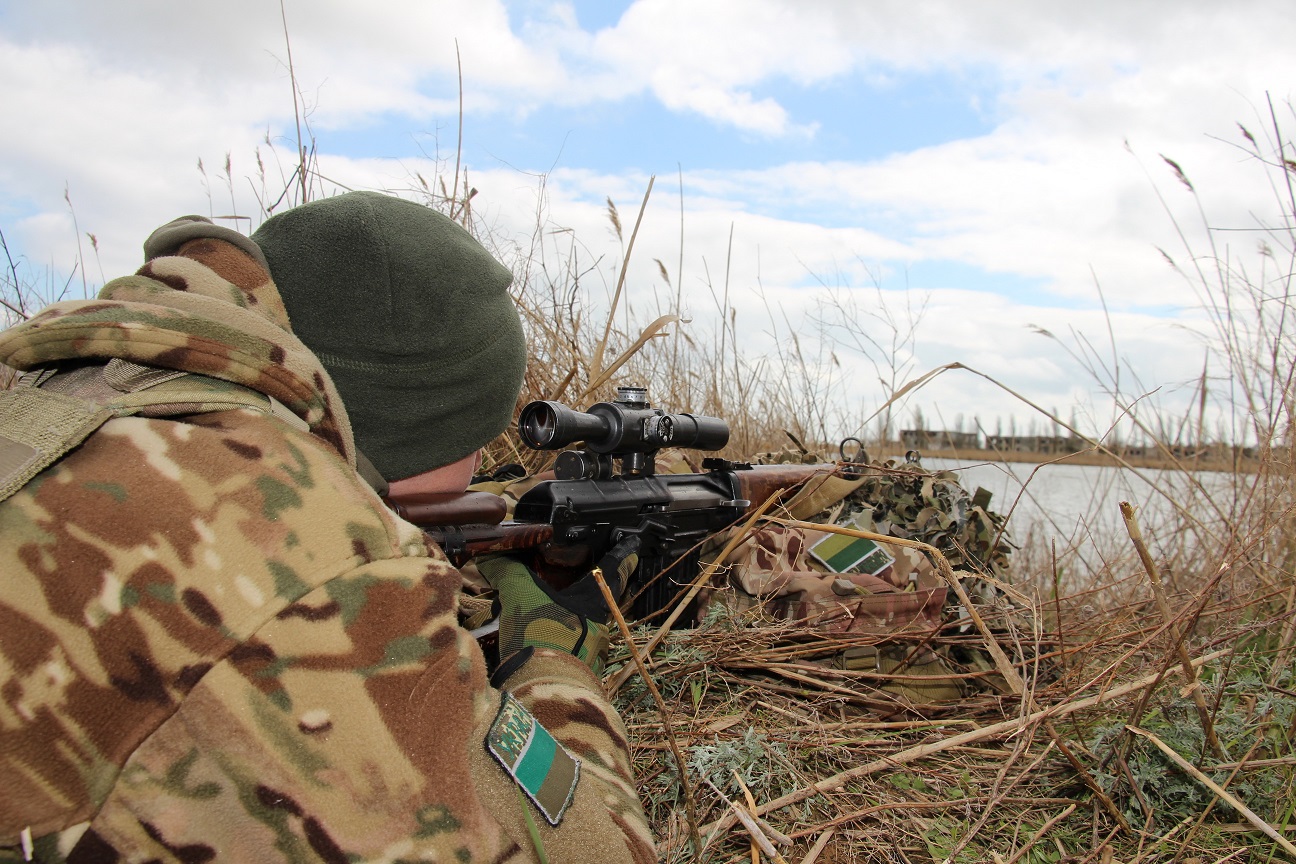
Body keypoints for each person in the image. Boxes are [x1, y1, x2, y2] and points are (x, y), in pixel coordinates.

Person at [0, 192, 654, 863]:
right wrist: (554, 660)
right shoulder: (311, 560)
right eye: (474, 438)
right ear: (405, 431)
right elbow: (597, 850)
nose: (484, 462)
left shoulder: (63, 401)